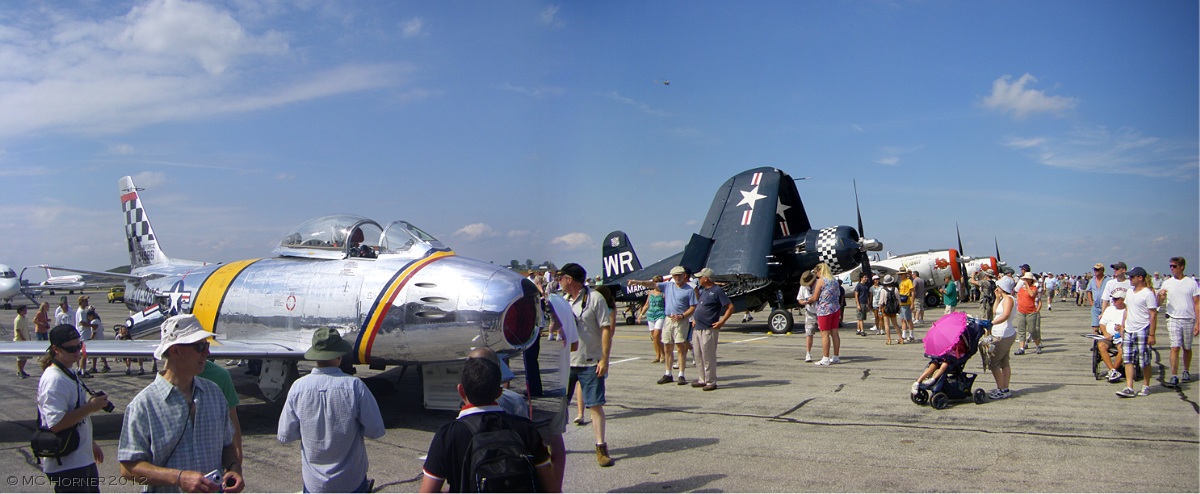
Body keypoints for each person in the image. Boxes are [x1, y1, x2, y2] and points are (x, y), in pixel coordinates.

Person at [118, 314, 245, 493]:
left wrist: (234, 468)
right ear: (176, 351)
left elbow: (227, 445)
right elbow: (128, 469)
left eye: (207, 346)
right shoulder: (143, 405)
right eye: (200, 347)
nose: (207, 353)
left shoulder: (214, 394)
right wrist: (179, 478)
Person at [418, 356, 556, 493]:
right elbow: (552, 489)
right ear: (499, 393)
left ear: (461, 391)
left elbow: (428, 491)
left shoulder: (448, 435)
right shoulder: (525, 428)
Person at [279, 328, 384, 493]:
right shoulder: (355, 386)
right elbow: (375, 430)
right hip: (351, 480)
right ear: (339, 357)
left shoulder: (298, 388)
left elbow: (285, 434)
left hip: (314, 483)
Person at [37, 324, 109, 492]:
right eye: (71, 349)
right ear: (56, 349)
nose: (77, 352)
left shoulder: (69, 373)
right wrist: (90, 407)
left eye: (79, 346)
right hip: (67, 465)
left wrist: (90, 443)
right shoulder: (54, 380)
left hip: (81, 458)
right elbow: (55, 424)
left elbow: (76, 415)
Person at [560, 263, 615, 467]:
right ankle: (554, 444)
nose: (559, 282)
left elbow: (606, 328)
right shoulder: (564, 301)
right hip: (567, 363)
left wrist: (604, 358)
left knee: (595, 405)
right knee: (559, 406)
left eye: (561, 278)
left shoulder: (595, 299)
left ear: (570, 280)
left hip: (590, 362)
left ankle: (601, 446)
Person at [628, 266, 696, 386]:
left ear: (684, 275)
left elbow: (693, 307)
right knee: (667, 346)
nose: (677, 277)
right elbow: (651, 284)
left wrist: (683, 315)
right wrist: (637, 282)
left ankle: (681, 374)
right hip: (668, 319)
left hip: (681, 320)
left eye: (679, 275)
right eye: (675, 275)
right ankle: (668, 373)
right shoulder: (668, 286)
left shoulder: (689, 290)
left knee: (680, 347)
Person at [1115, 267, 1157, 398]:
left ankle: (1146, 385)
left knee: (1144, 360)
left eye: (1132, 277)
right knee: (1128, 359)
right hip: (1129, 329)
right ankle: (1129, 386)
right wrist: (1123, 325)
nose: (1130, 279)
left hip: (1142, 329)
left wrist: (1152, 334)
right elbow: (1127, 310)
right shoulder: (1129, 292)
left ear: (1140, 278)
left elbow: (1153, 314)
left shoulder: (1147, 294)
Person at [690, 268, 733, 391]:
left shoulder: (717, 291)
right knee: (698, 355)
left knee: (708, 356)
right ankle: (702, 378)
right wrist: (695, 319)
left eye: (700, 277)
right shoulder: (703, 291)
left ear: (706, 278)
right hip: (698, 327)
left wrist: (722, 322)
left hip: (709, 328)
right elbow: (700, 306)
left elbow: (730, 307)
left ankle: (711, 381)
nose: (698, 279)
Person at [1159, 257, 1199, 387]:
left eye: (1174, 266)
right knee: (1174, 346)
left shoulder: (1191, 283)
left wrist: (1198, 322)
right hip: (1173, 317)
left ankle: (1186, 370)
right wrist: (1161, 296)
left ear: (1182, 267)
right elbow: (1158, 303)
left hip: (1188, 318)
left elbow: (1197, 303)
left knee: (1186, 347)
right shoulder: (1167, 283)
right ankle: (1174, 375)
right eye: (1170, 266)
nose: (1172, 268)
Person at [985, 277, 1017, 399]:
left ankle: (1001, 389)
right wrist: (997, 298)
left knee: (993, 363)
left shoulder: (1008, 299)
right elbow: (995, 311)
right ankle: (1005, 388)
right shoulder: (1004, 299)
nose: (996, 288)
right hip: (1002, 333)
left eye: (998, 286)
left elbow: (1006, 315)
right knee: (1004, 362)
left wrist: (992, 323)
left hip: (1003, 334)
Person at [804, 263, 842, 365]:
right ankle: (836, 356)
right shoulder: (834, 280)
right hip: (835, 308)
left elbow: (815, 297)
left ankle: (825, 358)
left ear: (819, 271)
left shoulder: (821, 281)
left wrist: (808, 299)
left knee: (825, 334)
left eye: (816, 272)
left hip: (824, 310)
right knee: (835, 333)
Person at [1097, 288, 1128, 383]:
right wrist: (1106, 333)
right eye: (1113, 299)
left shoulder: (1128, 310)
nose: (1113, 301)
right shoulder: (1109, 309)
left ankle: (1113, 370)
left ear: (1123, 300)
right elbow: (1102, 324)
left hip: (1121, 337)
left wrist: (1122, 328)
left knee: (1123, 349)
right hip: (1109, 337)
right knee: (1101, 346)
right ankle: (1113, 370)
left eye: (1116, 299)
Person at [637, 276, 667, 363]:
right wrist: (641, 314)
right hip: (651, 315)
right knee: (654, 337)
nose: (655, 283)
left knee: (657, 335)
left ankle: (663, 354)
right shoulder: (650, 292)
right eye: (654, 281)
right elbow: (647, 304)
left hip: (660, 314)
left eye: (657, 281)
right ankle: (657, 355)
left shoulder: (664, 293)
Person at [1013, 272, 1043, 355]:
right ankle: (1021, 348)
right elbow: (1017, 295)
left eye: (1026, 279)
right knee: (1021, 330)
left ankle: (1038, 345)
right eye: (1024, 279)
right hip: (1021, 311)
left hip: (1031, 311)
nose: (1025, 280)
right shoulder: (1021, 289)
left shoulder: (1034, 288)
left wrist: (1027, 286)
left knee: (1032, 330)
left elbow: (1032, 295)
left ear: (1030, 280)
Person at [796, 271, 819, 360]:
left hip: (820, 311)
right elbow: (799, 299)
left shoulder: (818, 284)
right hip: (810, 312)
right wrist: (804, 302)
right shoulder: (803, 287)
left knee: (825, 333)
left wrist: (813, 299)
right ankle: (808, 353)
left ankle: (826, 354)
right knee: (809, 333)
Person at [1087, 263, 1110, 336]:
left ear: (1102, 270)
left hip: (1106, 306)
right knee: (1095, 326)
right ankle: (1095, 343)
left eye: (1097, 269)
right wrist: (1091, 302)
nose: (1095, 271)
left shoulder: (1109, 280)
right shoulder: (1092, 280)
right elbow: (1088, 291)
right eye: (1094, 269)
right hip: (1095, 306)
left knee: (1105, 326)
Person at [880, 275, 900, 345]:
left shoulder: (883, 290)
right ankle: (901, 338)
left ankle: (889, 339)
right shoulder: (895, 289)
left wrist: (880, 309)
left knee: (886, 324)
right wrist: (899, 308)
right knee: (895, 324)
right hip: (893, 309)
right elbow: (898, 300)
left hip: (886, 309)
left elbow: (881, 302)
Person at [897, 267, 915, 342]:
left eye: (902, 274)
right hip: (901, 303)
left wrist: (912, 303)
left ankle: (911, 335)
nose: (900, 276)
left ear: (905, 274)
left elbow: (912, 292)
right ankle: (904, 335)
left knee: (908, 319)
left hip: (907, 302)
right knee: (902, 319)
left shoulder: (908, 281)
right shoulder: (901, 283)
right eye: (900, 274)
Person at [15, 304, 31, 378]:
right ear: (20, 311)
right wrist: (23, 339)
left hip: (26, 340)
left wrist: (28, 338)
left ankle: (22, 370)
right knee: (20, 358)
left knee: (25, 357)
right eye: (25, 310)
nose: (26, 311)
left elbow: (26, 329)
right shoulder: (18, 320)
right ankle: (19, 371)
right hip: (19, 341)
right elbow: (18, 331)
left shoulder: (25, 318)